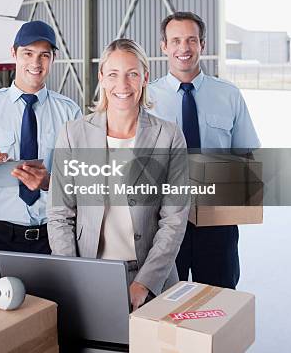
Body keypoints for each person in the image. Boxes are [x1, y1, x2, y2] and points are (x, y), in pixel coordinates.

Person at [47, 38, 189, 310]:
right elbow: (59, 215)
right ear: (101, 77)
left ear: (145, 77)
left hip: (154, 280)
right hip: (90, 277)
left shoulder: (169, 136)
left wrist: (144, 283)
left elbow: (174, 219)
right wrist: (75, 275)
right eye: (113, 74)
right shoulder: (73, 134)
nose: (122, 85)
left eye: (132, 74)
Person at [0, 21, 82, 284]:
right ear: (14, 53)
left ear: (54, 58)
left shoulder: (69, 113)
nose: (36, 62)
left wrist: (49, 183)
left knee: (53, 319)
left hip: (52, 238)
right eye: (28, 53)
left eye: (45, 54)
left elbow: (83, 181)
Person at [148, 11, 260, 289]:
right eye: (175, 41)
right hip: (162, 222)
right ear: (164, 46)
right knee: (162, 302)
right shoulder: (146, 98)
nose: (183, 48)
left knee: (219, 298)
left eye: (191, 40)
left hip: (217, 222)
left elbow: (247, 155)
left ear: (202, 45)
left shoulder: (228, 95)